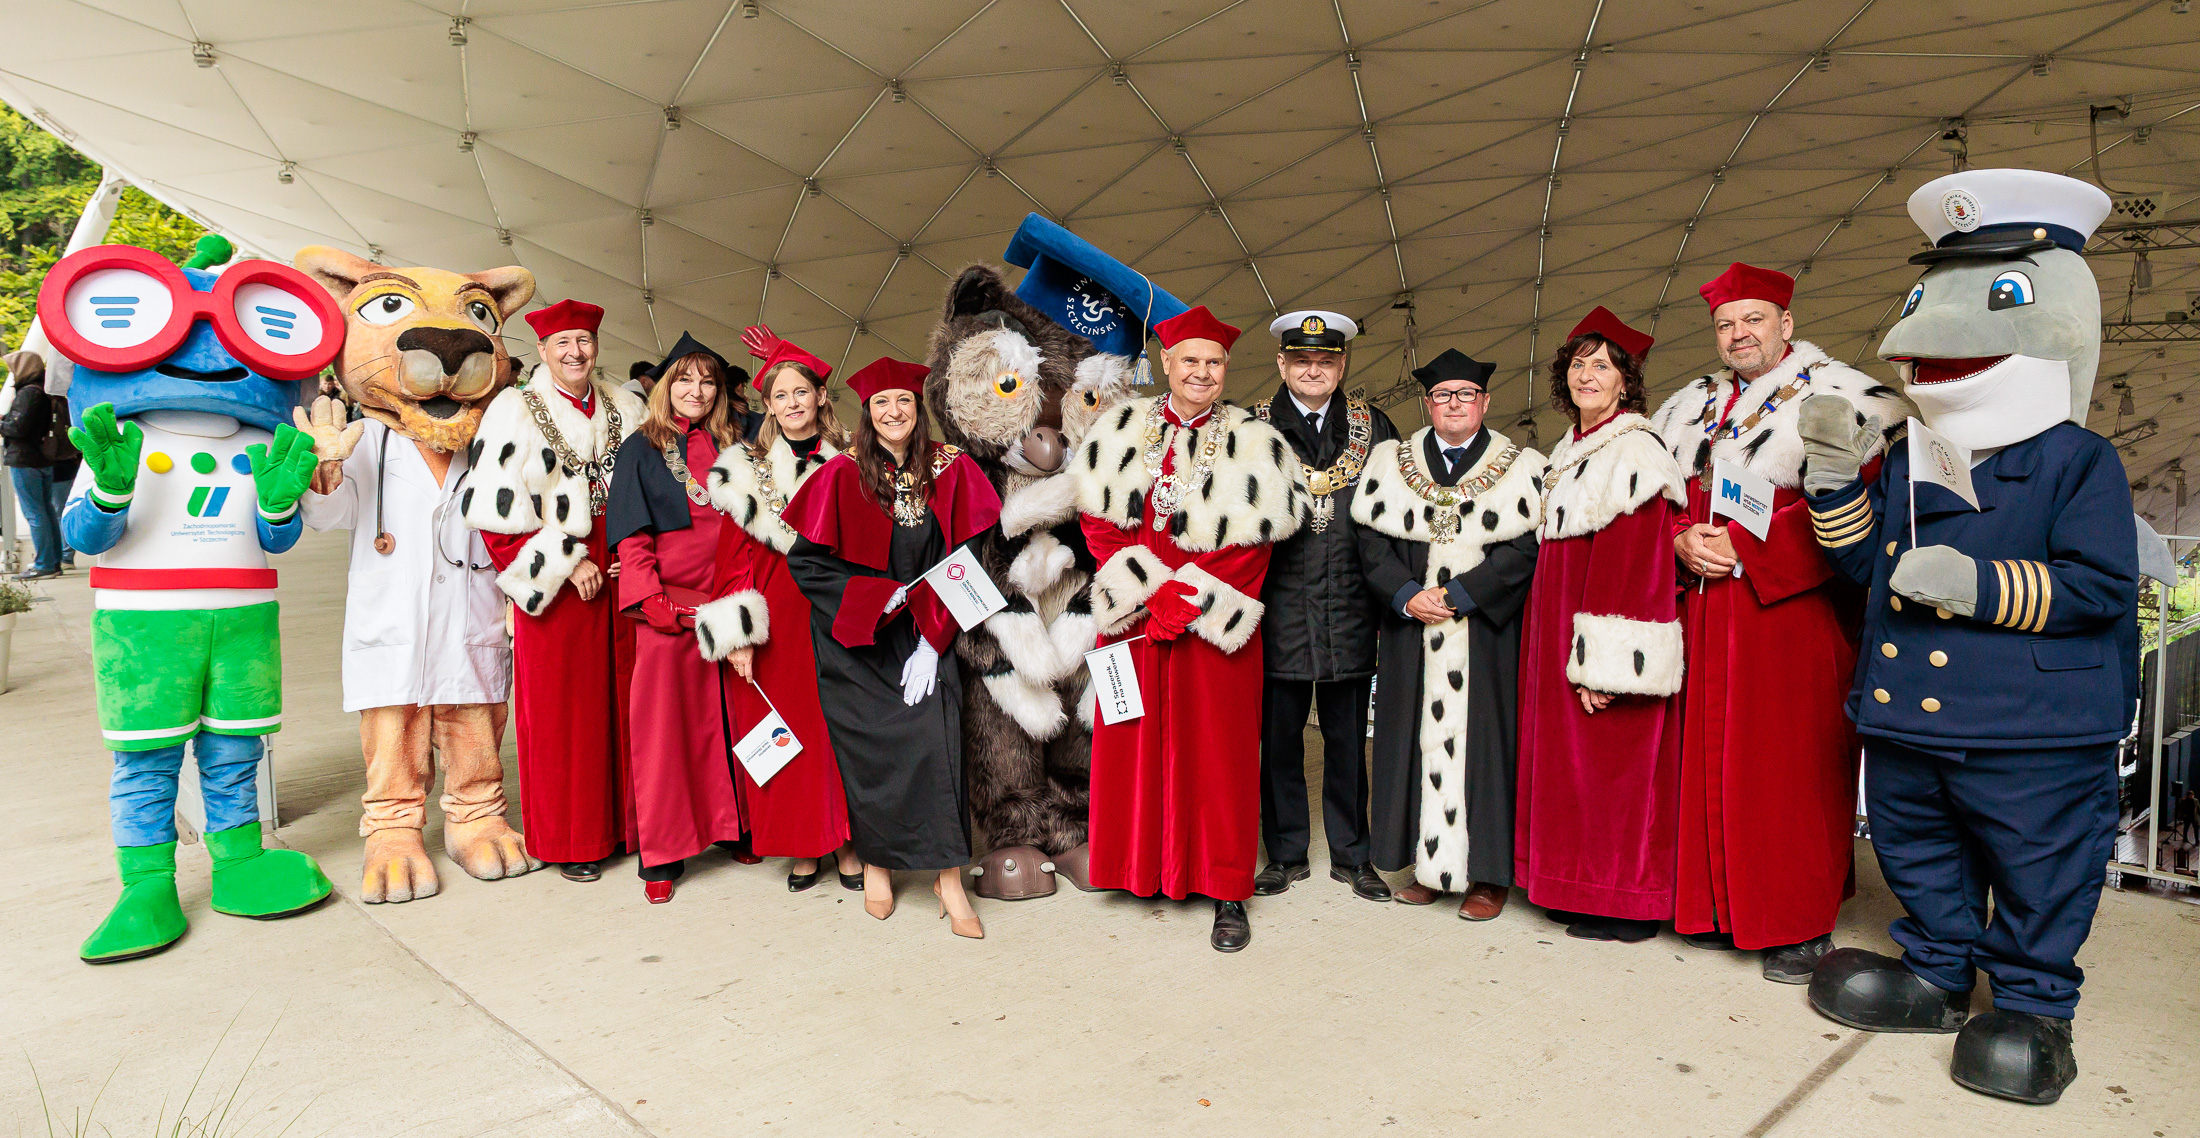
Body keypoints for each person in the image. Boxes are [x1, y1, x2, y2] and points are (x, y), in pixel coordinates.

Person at [1803, 169, 2135, 1105]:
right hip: (1912, 716)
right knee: (1919, 845)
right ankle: (1938, 969)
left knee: (2038, 862)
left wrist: (1978, 587)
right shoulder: (1916, 455)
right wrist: (1835, 485)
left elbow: (2101, 587)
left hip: (2026, 723)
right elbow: (1868, 567)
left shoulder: (2077, 459)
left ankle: (2034, 1005)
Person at [1643, 263, 1910, 979]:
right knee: (1704, 764)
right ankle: (1715, 907)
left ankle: (1796, 922)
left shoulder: (1847, 397)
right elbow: (1662, 500)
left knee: (1791, 772)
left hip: (1793, 618)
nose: (1740, 334)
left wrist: (1750, 548)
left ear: (1785, 323)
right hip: (1703, 609)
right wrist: (1680, 539)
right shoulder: (1688, 408)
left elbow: (1866, 505)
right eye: (1726, 324)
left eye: (1753, 320)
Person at [1074, 305, 1304, 952]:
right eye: (1190, 361)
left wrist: (1184, 601)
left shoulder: (1256, 441)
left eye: (1214, 362)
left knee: (1219, 756)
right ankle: (1140, 868)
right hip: (1134, 621)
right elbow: (1097, 522)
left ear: (1226, 368)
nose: (1202, 372)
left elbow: (1255, 543)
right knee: (1133, 743)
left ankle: (1226, 887)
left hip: (1211, 623)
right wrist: (1150, 594)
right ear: (1167, 363)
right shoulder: (1119, 427)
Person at [784, 356, 1003, 939]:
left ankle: (948, 879)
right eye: (881, 403)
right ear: (867, 413)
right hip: (858, 639)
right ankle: (877, 865)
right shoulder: (841, 474)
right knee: (871, 755)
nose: (893, 411)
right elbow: (807, 566)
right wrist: (874, 599)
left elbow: (971, 561)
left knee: (939, 745)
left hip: (930, 631)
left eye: (903, 400)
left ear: (918, 407)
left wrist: (933, 639)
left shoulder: (951, 468)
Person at [1513, 307, 1689, 944]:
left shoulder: (1635, 450)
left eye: (1604, 366)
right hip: (1561, 621)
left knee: (1612, 767)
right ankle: (1574, 885)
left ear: (1626, 381)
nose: (1588, 375)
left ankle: (1624, 902)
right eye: (1579, 364)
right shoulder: (1573, 448)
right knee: (1571, 768)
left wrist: (1607, 667)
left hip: (1603, 629)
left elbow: (1634, 564)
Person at [1356, 349, 1546, 920]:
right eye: (1443, 395)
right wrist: (1405, 593)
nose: (1454, 404)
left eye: (1466, 394)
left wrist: (1461, 594)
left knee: (1487, 747)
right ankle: (1427, 867)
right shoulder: (1392, 462)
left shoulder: (1522, 466)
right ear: (1428, 403)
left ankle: (1488, 875)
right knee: (1410, 741)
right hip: (1412, 630)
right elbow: (1370, 541)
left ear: (1484, 402)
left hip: (1485, 633)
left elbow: (1526, 548)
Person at [462, 299, 646, 882]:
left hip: (622, 574)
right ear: (542, 350)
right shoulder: (513, 410)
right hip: (558, 584)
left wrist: (636, 556)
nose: (575, 352)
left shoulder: (626, 407)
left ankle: (630, 826)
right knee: (566, 717)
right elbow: (493, 516)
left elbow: (652, 488)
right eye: (562, 342)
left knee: (630, 703)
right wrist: (565, 563)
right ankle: (573, 839)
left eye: (584, 340)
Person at [692, 326, 861, 892]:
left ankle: (848, 842)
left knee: (841, 727)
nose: (792, 403)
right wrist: (738, 634)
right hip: (777, 618)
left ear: (820, 396)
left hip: (837, 610)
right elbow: (733, 559)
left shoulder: (852, 459)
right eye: (780, 395)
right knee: (791, 730)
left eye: (800, 392)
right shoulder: (745, 467)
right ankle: (804, 844)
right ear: (767, 404)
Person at [604, 333, 761, 902]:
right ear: (667, 385)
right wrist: (654, 603)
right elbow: (631, 537)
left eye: (708, 381)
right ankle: (665, 851)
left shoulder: (737, 441)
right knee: (665, 732)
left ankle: (735, 826)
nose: (697, 390)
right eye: (686, 379)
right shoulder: (640, 448)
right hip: (668, 605)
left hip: (731, 598)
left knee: (733, 720)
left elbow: (799, 417)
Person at [1248, 310, 1398, 902]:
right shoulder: (1252, 427)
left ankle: (1353, 856)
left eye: (1326, 361)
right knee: (1279, 742)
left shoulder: (1374, 426)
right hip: (1278, 606)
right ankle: (1285, 854)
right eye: (1302, 360)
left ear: (1342, 364)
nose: (1314, 371)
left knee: (1348, 740)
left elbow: (1392, 519)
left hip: (1351, 605)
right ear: (1281, 363)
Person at [3, 352, 79, 578]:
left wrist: (4, 424)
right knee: (45, 511)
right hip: (43, 459)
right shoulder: (43, 391)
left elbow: (18, 428)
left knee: (35, 513)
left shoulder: (28, 393)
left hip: (25, 460)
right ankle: (53, 562)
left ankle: (45, 564)